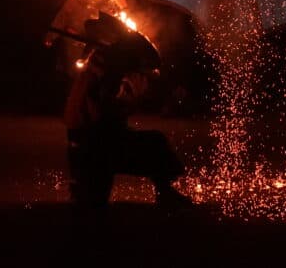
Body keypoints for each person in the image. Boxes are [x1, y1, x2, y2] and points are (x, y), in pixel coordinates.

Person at [63, 14, 193, 209]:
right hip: (95, 143)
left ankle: (85, 189)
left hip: (88, 139)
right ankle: (164, 192)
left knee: (92, 201)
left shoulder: (98, 65)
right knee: (155, 142)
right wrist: (129, 103)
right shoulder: (107, 72)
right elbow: (104, 115)